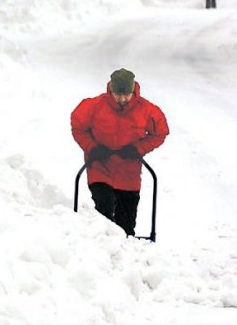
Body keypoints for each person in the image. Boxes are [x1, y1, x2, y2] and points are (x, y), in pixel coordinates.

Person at [71, 69, 169, 236]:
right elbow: (78, 127)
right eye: (117, 95)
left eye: (126, 95)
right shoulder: (94, 106)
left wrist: (138, 149)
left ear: (133, 92)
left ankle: (124, 255)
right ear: (111, 91)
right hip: (100, 168)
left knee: (126, 227)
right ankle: (98, 251)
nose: (122, 99)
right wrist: (92, 147)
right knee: (104, 212)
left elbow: (160, 133)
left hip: (128, 174)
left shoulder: (146, 110)